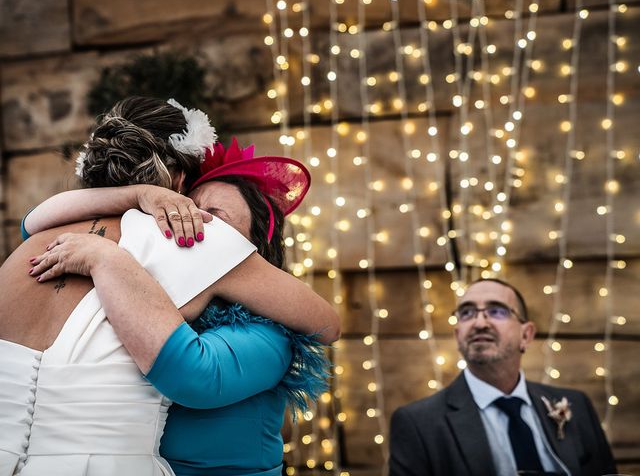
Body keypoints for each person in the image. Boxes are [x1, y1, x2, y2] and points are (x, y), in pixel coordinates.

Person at [0, 96, 338, 475]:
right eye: (191, 205)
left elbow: (33, 219)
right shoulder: (191, 244)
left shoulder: (31, 245)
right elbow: (327, 323)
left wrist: (111, 246)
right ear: (178, 183)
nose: (194, 219)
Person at [389, 278, 617, 476]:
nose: (479, 323)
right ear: (458, 335)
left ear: (526, 335)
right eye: (467, 313)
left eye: (497, 311)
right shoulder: (417, 423)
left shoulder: (576, 405)